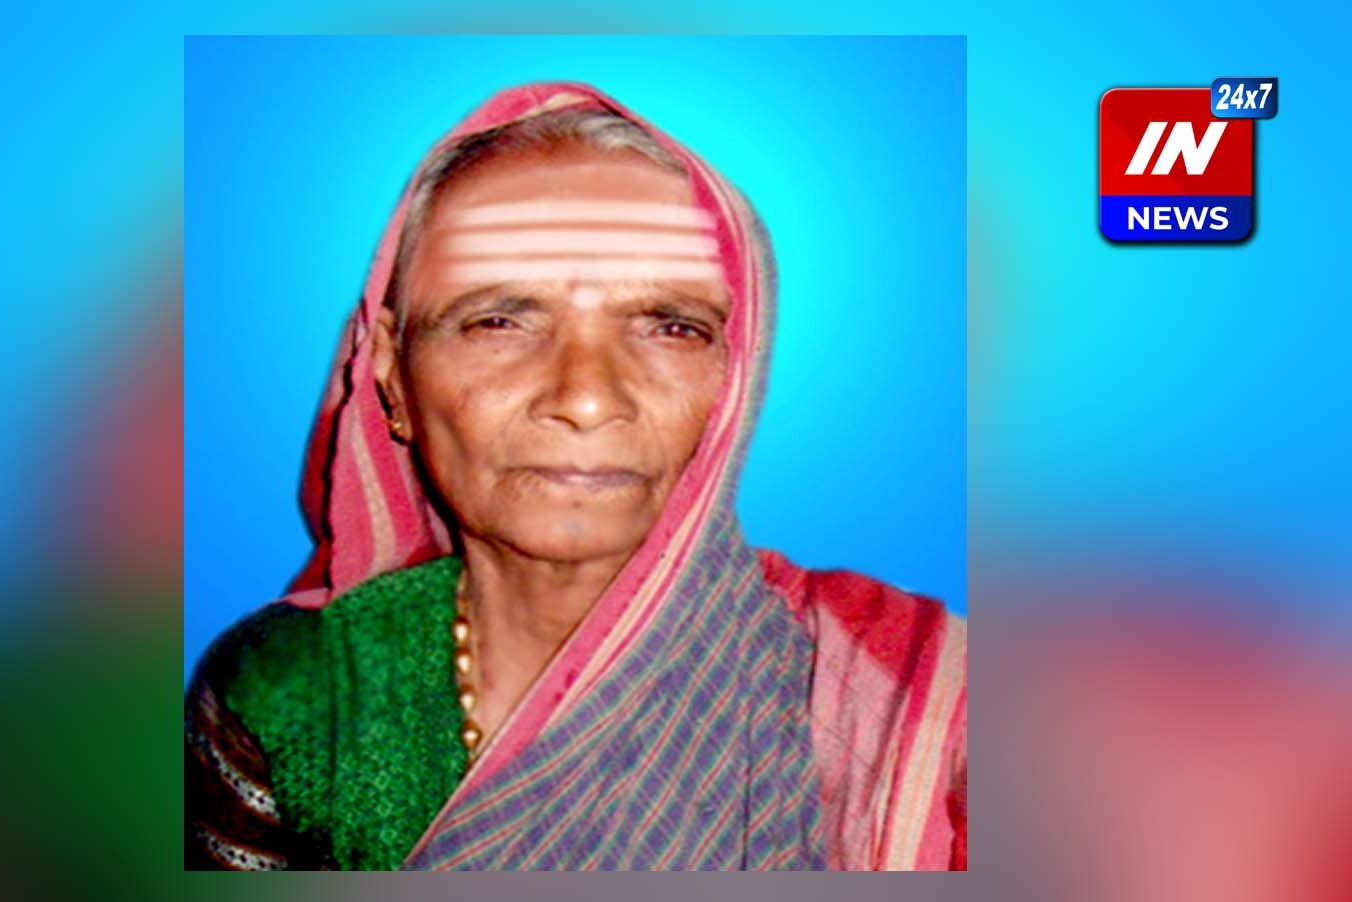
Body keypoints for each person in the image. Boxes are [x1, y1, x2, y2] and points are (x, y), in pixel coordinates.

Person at [185, 81, 966, 870]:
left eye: (671, 327)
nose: (587, 397)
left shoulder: (915, 702)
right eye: (498, 321)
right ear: (392, 377)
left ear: (736, 382)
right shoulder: (298, 689)